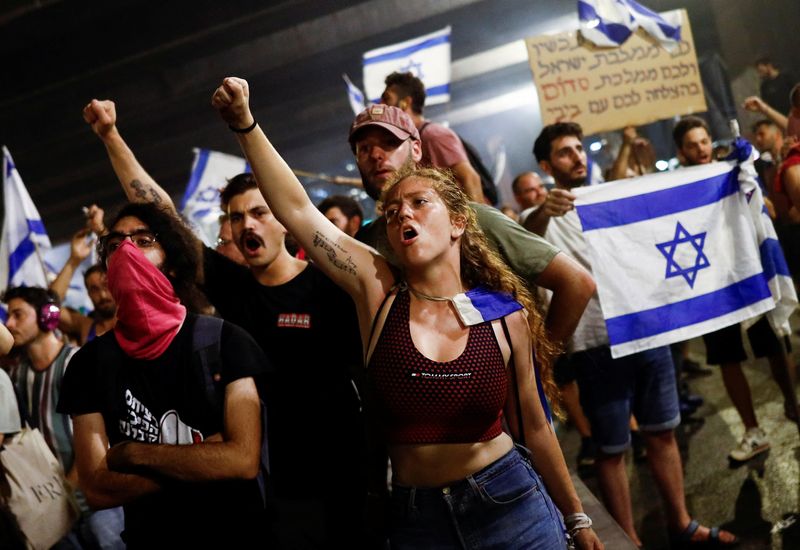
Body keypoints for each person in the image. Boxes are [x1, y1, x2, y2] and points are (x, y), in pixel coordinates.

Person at [212, 75, 603, 550]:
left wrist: (578, 520)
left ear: (460, 221)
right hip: (420, 520)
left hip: (512, 504)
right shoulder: (376, 291)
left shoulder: (504, 316)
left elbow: (535, 428)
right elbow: (297, 210)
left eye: (420, 203)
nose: (404, 215)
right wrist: (245, 125)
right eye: (394, 211)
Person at [82, 98, 367, 548]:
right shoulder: (232, 286)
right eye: (236, 217)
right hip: (273, 486)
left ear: (285, 220)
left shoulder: (331, 286)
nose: (247, 225)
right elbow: (161, 215)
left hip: (344, 475)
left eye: (259, 212)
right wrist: (110, 136)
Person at [529, 121, 739, 548]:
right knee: (612, 448)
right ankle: (630, 541)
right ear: (547, 165)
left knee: (662, 430)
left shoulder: (608, 196)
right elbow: (526, 237)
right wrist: (541, 212)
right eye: (565, 152)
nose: (577, 157)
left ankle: (680, 523)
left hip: (646, 330)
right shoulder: (540, 217)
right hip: (595, 346)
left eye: (579, 148)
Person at [56, 202, 267, 549]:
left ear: (171, 262)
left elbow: (242, 461)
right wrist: (204, 458)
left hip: (236, 534)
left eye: (143, 240)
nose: (126, 251)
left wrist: (137, 455)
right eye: (115, 245)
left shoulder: (225, 341)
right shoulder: (87, 364)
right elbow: (96, 488)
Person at [674, 116, 800, 454]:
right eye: (691, 144)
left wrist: (750, 182)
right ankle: (752, 430)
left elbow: (768, 211)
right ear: (681, 152)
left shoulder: (732, 173)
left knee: (773, 344)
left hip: (747, 271)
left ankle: (794, 407)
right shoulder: (675, 189)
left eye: (703, 141)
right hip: (712, 283)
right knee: (727, 358)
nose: (700, 149)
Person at [4, 286, 125, 550]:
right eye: (8, 316)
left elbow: (102, 433)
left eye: (18, 314)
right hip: (51, 501)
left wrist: (69, 491)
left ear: (48, 316)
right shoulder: (18, 374)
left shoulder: (75, 362)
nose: (10, 323)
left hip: (94, 500)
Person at [380, 72, 484, 202]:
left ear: (405, 103)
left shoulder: (433, 134)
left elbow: (471, 178)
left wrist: (477, 222)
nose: (381, 105)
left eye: (387, 98)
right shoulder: (410, 141)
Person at [50, 206, 116, 344]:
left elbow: (128, 264)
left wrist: (100, 229)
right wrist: (74, 260)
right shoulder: (85, 326)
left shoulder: (136, 317)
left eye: (106, 286)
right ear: (88, 294)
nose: (102, 296)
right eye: (94, 289)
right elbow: (50, 307)